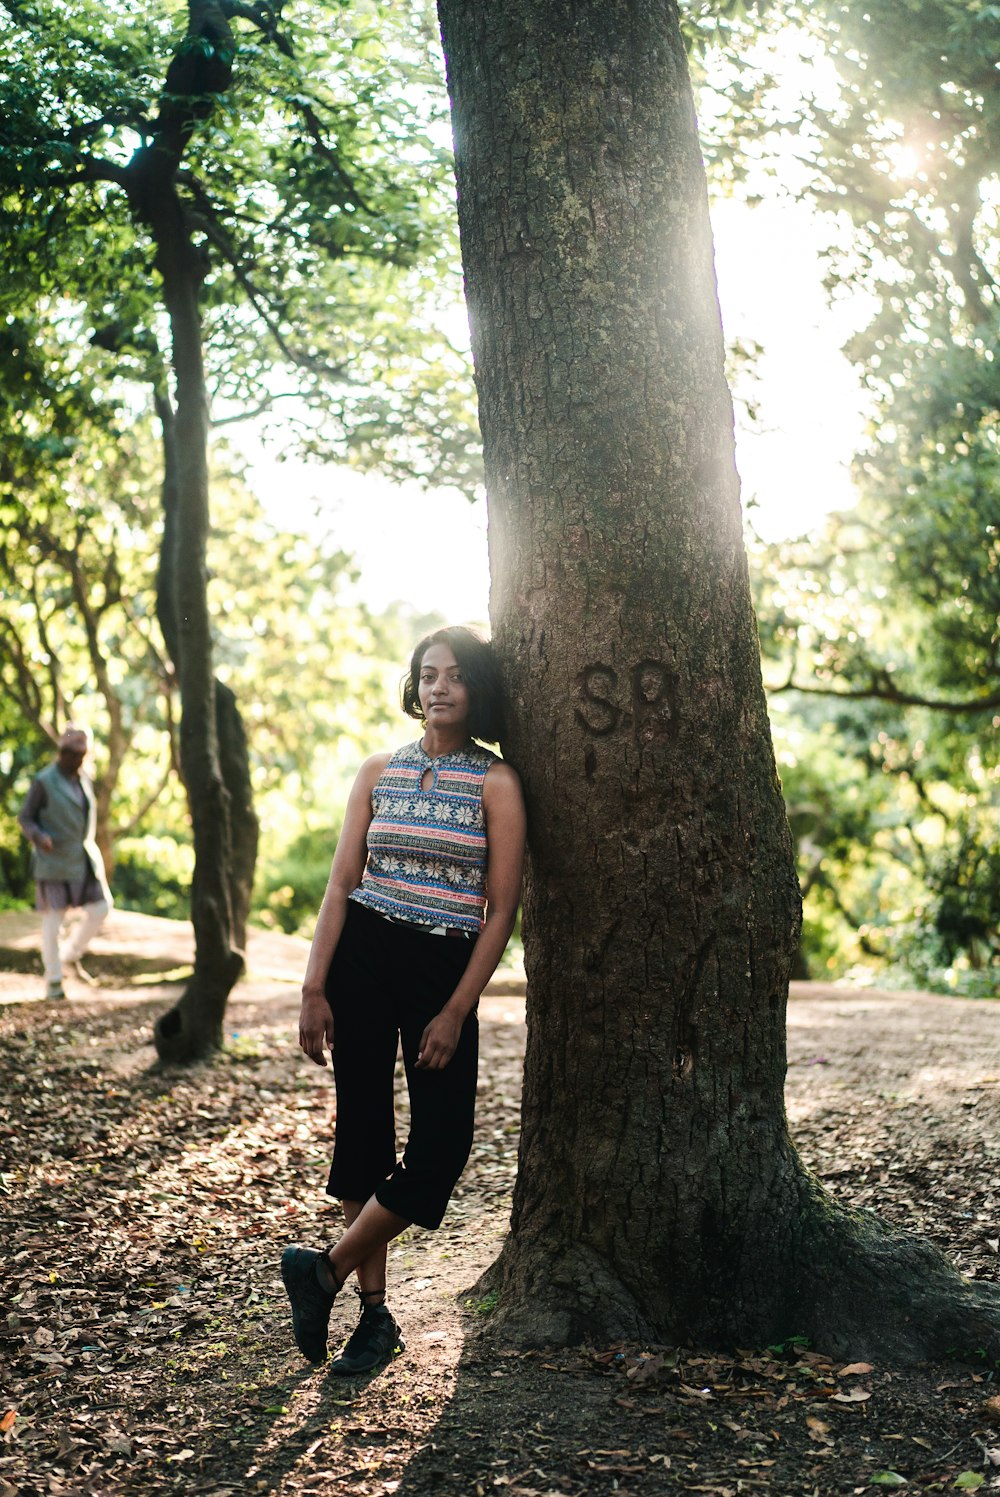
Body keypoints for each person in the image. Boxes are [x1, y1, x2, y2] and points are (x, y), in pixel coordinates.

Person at [282, 626, 526, 1376]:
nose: (439, 687)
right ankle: (373, 1316)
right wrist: (314, 985)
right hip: (362, 954)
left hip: (441, 967)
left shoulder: (498, 783)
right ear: (415, 685)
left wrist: (457, 1007)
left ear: (476, 688)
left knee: (443, 1143)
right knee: (362, 1133)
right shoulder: (378, 770)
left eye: (455, 676)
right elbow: (340, 883)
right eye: (428, 675)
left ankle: (320, 1268)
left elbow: (503, 908)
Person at [17, 725, 112, 1001]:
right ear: (62, 752)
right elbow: (25, 817)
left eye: (81, 754)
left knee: (101, 908)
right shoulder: (44, 781)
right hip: (53, 862)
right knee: (52, 923)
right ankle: (54, 982)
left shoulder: (83, 779)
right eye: (72, 753)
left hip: (83, 859)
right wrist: (39, 836)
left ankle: (71, 954)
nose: (76, 759)